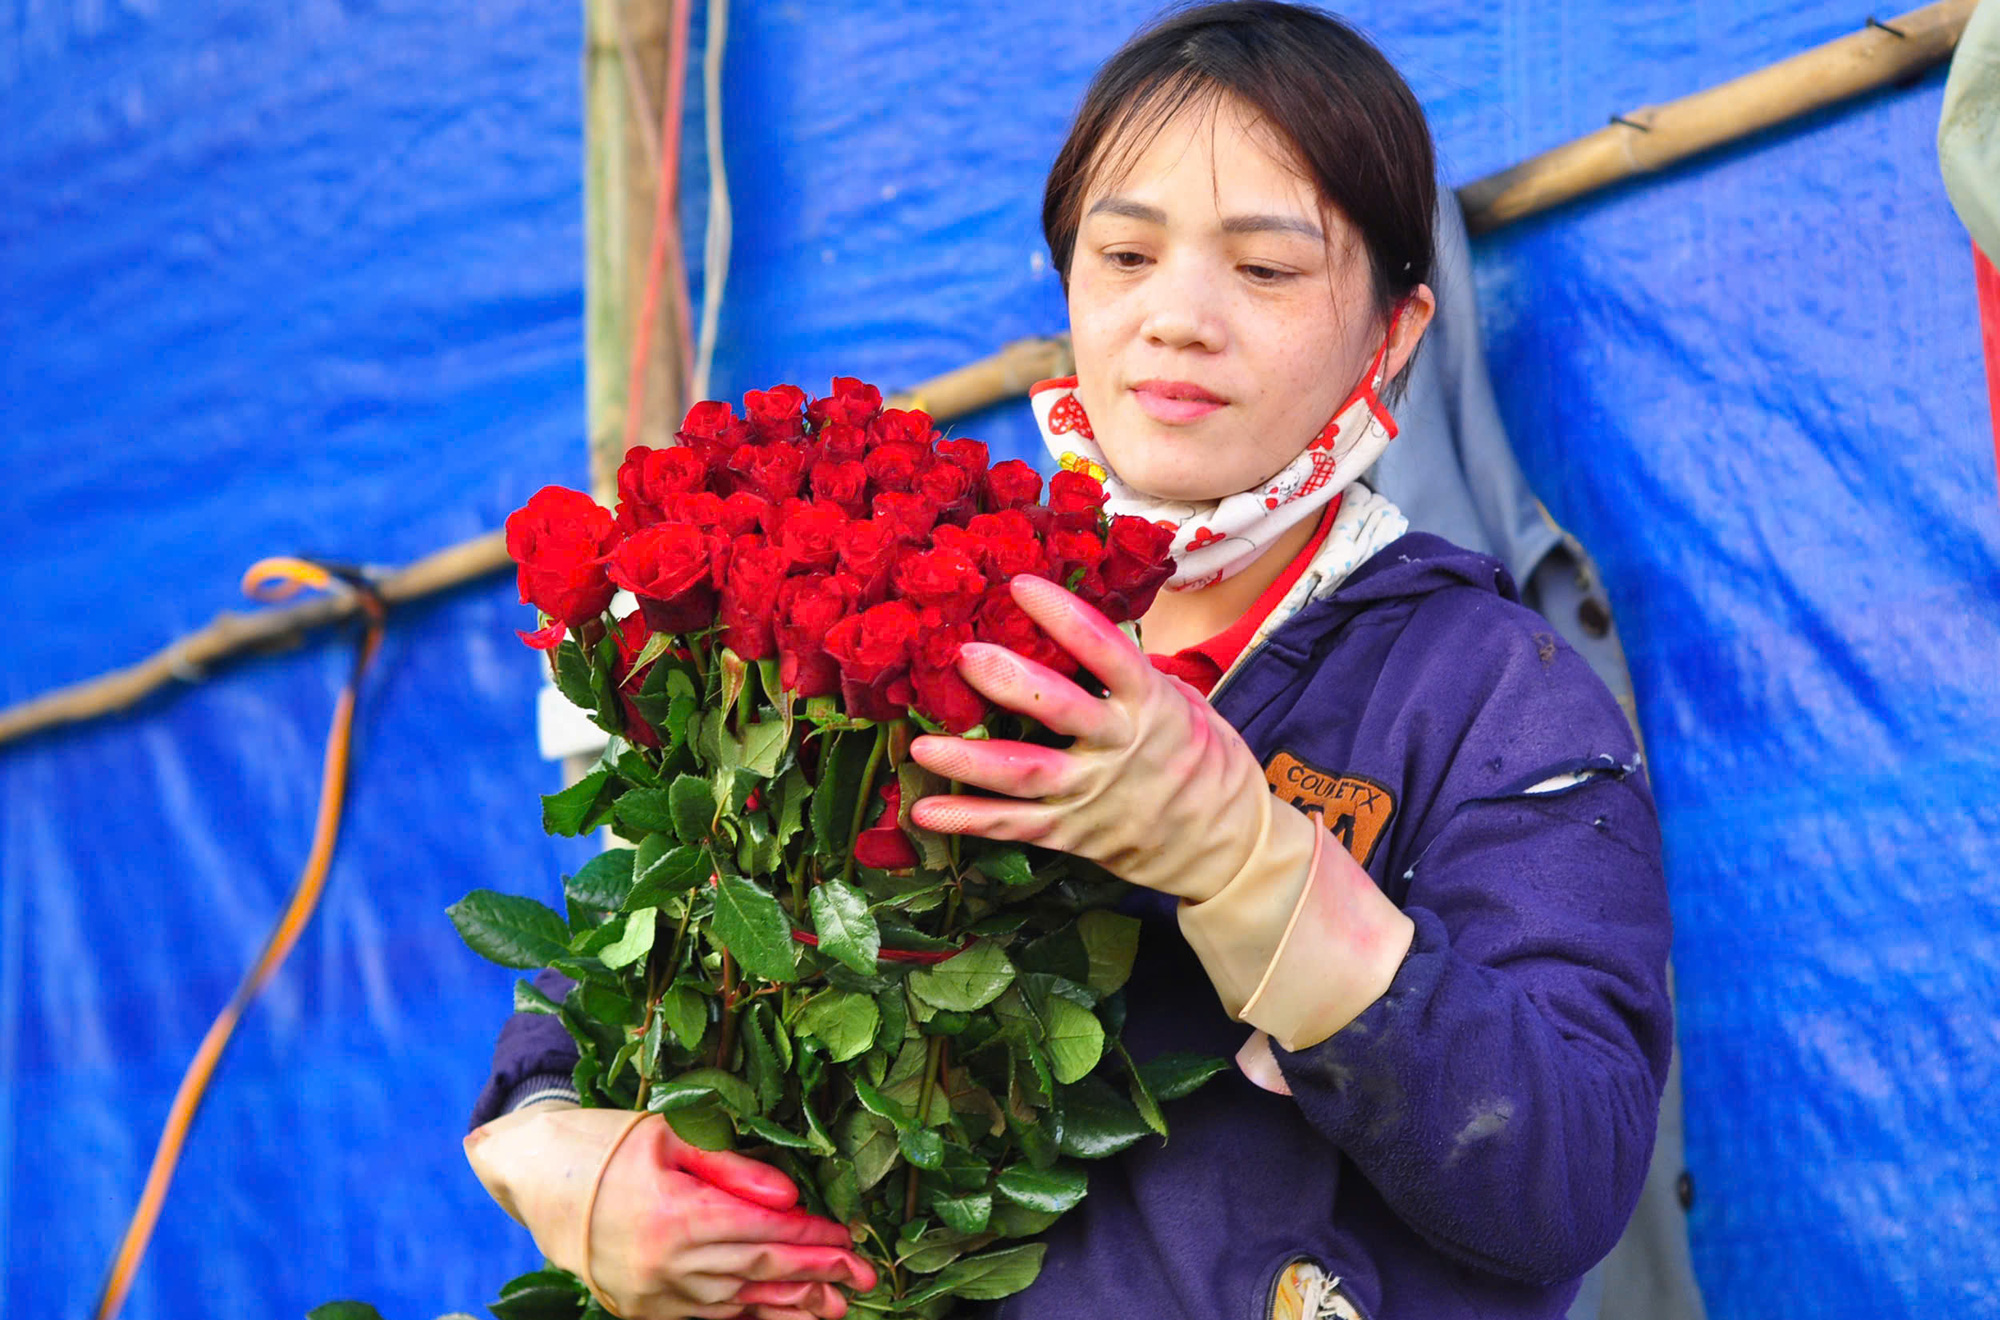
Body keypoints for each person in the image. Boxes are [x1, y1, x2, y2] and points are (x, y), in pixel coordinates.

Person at [463, 6, 1674, 1319]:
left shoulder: (1490, 692)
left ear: (1392, 334)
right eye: (1126, 255)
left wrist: (1245, 863)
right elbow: (611, 1009)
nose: (1178, 320)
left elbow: (1567, 1174)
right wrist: (563, 1160)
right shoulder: (918, 626)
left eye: (1266, 270)